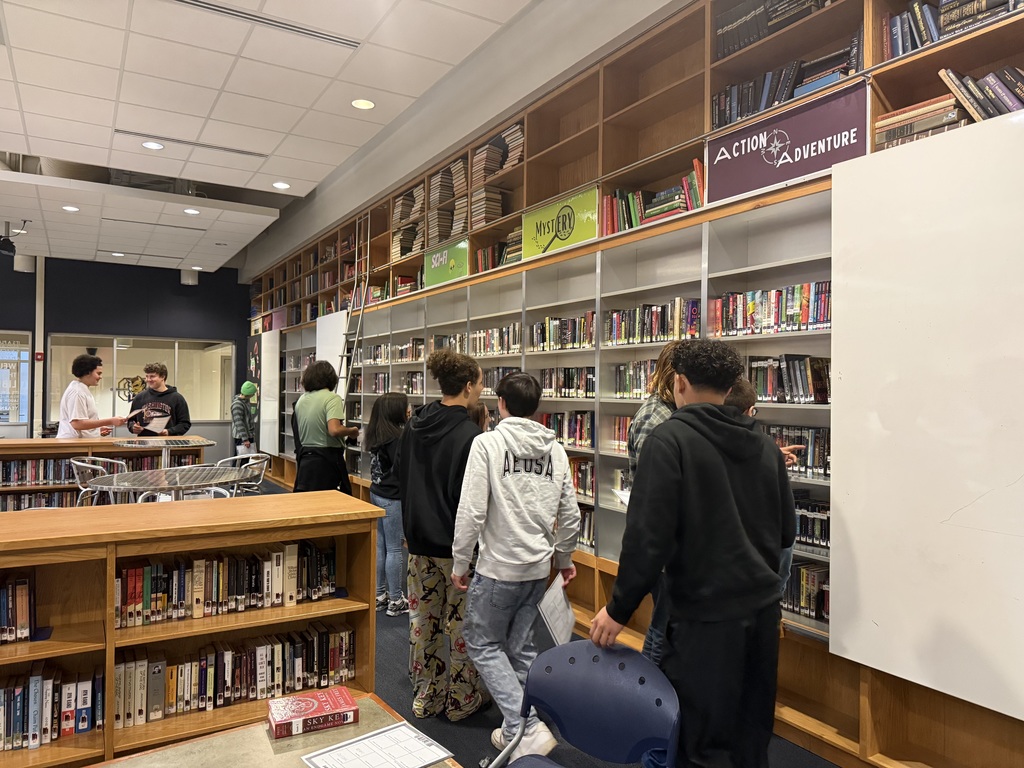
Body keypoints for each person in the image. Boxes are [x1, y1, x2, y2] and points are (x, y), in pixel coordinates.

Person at [590, 339, 796, 768]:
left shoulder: (670, 441)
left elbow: (649, 536)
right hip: (760, 614)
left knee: (698, 739)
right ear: (731, 387)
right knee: (751, 733)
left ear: (680, 383)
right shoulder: (764, 445)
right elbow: (785, 533)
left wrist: (618, 608)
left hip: (704, 619)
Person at [452, 372, 580, 761]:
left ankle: (523, 724)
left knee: (482, 643)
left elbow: (472, 510)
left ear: (501, 404)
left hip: (498, 568)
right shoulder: (555, 449)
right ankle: (520, 726)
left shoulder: (487, 443)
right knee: (521, 647)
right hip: (537, 568)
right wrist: (565, 557)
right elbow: (570, 514)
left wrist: (461, 560)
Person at [397, 348, 487, 721]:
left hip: (418, 540)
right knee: (462, 623)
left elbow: (403, 476)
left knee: (422, 620)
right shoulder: (471, 436)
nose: (482, 389)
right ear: (468, 386)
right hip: (456, 546)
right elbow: (470, 497)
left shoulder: (415, 425)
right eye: (481, 382)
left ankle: (427, 694)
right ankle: (462, 698)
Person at [625, 340, 685, 665]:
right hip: (662, 545)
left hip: (669, 542)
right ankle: (650, 700)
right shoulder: (656, 419)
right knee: (663, 630)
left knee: (663, 627)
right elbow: (656, 489)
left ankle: (649, 694)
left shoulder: (671, 413)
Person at [366, 391, 410, 617]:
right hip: (392, 497)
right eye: (406, 407)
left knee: (380, 545)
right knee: (394, 548)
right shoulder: (396, 438)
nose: (409, 411)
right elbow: (403, 469)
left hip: (376, 492)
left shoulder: (376, 433)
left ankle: (380, 594)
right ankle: (395, 600)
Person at [291, 360, 358, 495]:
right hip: (327, 460)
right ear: (330, 378)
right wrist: (352, 431)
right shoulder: (332, 398)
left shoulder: (301, 400)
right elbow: (334, 430)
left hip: (305, 459)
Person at [56, 354, 127, 438]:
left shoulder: (83, 390)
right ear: (88, 372)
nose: (100, 377)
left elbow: (82, 421)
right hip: (73, 444)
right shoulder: (77, 392)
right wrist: (111, 421)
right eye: (98, 373)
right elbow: (77, 424)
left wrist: (95, 430)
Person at [126, 362, 191, 436]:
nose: (148, 379)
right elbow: (131, 420)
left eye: (152, 376)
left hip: (168, 444)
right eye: (147, 376)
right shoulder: (139, 398)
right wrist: (133, 427)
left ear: (163, 377)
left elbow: (185, 424)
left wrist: (169, 431)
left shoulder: (177, 398)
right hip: (144, 444)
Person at [231, 381, 258, 455]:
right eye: (253, 394)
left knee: (246, 459)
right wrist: (245, 439)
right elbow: (239, 423)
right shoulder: (237, 405)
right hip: (241, 437)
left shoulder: (245, 402)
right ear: (249, 394)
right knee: (241, 460)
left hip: (247, 435)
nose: (253, 395)